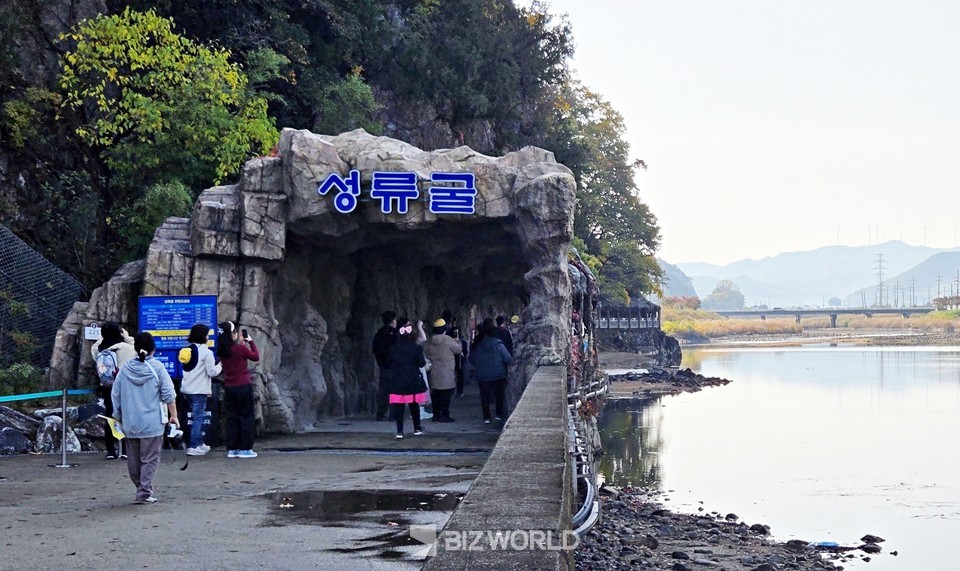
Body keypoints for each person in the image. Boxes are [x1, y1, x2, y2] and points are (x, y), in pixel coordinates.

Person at [111, 332, 178, 504]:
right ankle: (144, 492)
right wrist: (174, 415)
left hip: (130, 422)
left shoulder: (125, 368)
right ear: (153, 348)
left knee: (133, 460)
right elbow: (169, 394)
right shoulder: (158, 368)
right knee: (149, 459)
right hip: (152, 423)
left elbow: (116, 394)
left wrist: (117, 415)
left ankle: (140, 488)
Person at [91, 322, 136, 460]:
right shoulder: (128, 348)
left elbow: (94, 349)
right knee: (127, 416)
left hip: (108, 387)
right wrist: (127, 337)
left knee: (110, 415)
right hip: (125, 387)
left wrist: (102, 337)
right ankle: (125, 450)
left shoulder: (100, 349)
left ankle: (111, 450)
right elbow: (137, 350)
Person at [216, 321, 260, 458]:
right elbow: (255, 356)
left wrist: (240, 343)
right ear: (232, 334)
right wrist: (250, 341)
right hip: (243, 386)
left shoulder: (222, 351)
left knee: (232, 418)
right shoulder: (240, 349)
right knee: (246, 417)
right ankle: (245, 449)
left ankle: (232, 448)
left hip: (229, 387)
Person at [179, 323, 222, 456]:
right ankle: (194, 446)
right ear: (203, 336)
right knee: (198, 418)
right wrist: (220, 365)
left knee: (195, 417)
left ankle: (200, 442)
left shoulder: (186, 350)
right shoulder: (207, 353)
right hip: (199, 390)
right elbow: (212, 372)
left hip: (186, 389)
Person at [386, 319, 427, 439]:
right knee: (414, 405)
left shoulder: (393, 348)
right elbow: (421, 363)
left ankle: (399, 431)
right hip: (412, 379)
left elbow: (388, 363)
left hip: (398, 379)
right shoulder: (416, 348)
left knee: (399, 407)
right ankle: (417, 428)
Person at [470, 318, 514, 424]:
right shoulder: (498, 345)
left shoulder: (478, 345)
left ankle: (487, 417)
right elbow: (508, 359)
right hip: (498, 375)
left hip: (482, 375)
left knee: (484, 396)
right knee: (499, 395)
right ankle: (499, 414)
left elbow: (472, 359)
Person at [422, 318, 462, 422]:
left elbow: (426, 352)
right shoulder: (448, 340)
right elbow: (458, 350)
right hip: (447, 371)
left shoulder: (430, 341)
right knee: (446, 395)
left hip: (434, 371)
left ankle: (436, 415)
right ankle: (445, 415)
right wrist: (457, 340)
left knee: (436, 394)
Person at [372, 310, 398, 421]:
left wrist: (380, 360)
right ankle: (393, 413)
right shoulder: (395, 333)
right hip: (394, 365)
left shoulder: (379, 333)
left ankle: (381, 412)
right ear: (393, 320)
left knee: (383, 389)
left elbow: (375, 348)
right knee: (394, 390)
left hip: (383, 365)